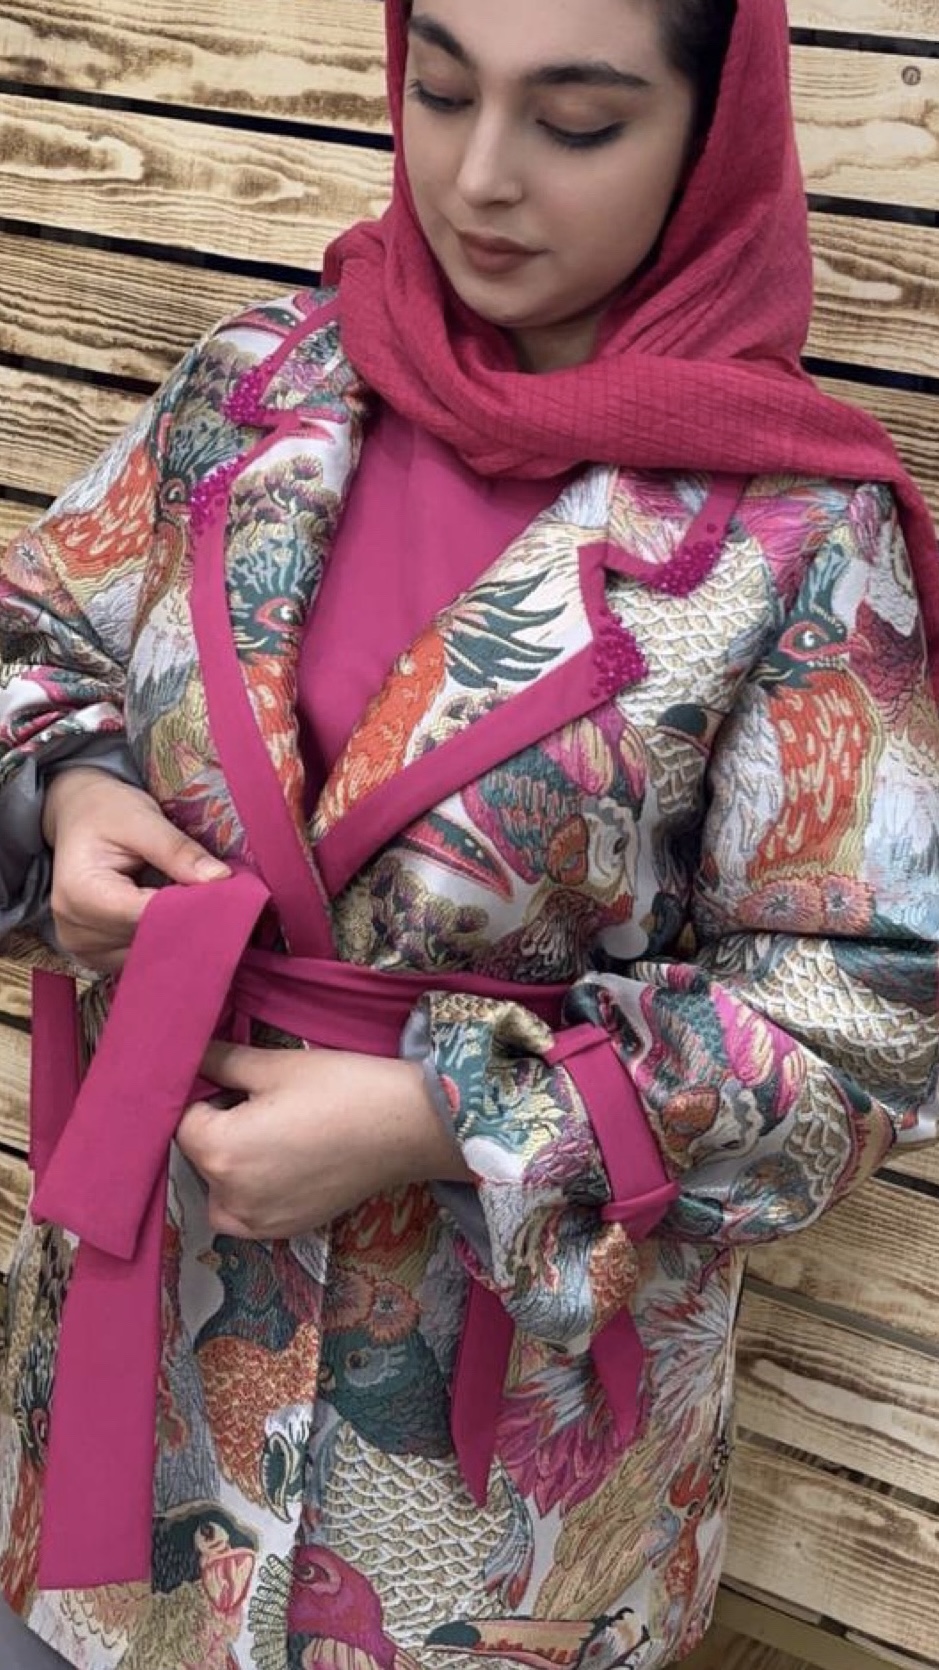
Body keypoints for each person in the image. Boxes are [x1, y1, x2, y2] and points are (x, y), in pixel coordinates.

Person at [0, 0, 937, 1665]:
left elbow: (865, 1014)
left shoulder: (800, 536)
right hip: (139, 1361)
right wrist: (66, 792)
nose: (480, 176)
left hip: (492, 1482)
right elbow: (41, 631)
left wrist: (451, 1111)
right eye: (440, 92)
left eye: (577, 122)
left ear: (712, 138)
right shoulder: (258, 386)